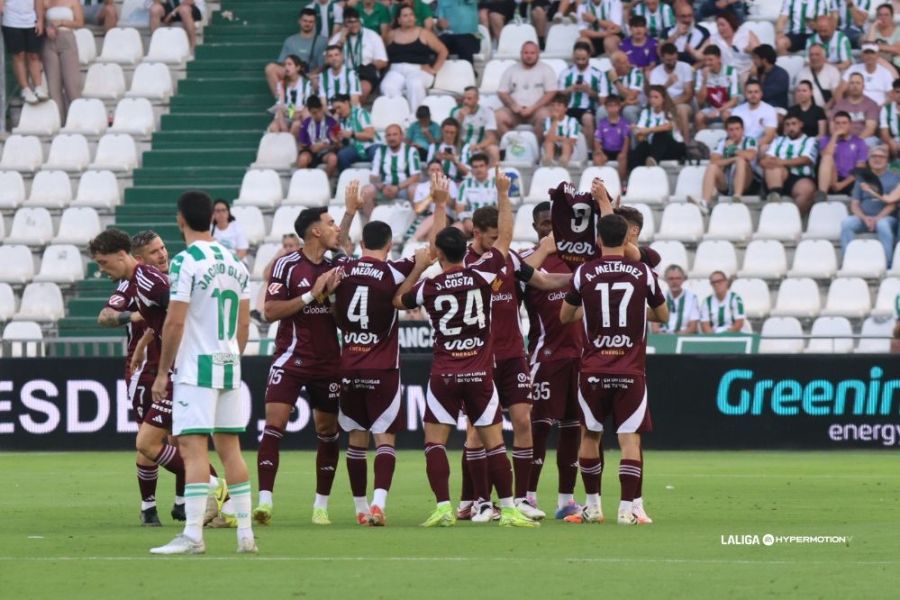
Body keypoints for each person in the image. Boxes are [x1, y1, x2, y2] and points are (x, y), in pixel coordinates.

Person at [394, 170, 539, 528]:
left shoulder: (429, 286)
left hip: (444, 374)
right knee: (494, 444)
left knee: (435, 444)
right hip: (479, 373)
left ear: (438, 253)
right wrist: (503, 193)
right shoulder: (483, 274)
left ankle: (444, 507)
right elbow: (505, 239)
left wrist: (420, 265)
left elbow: (399, 300)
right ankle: (509, 508)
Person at [148, 191, 254, 555]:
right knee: (231, 450)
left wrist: (163, 372)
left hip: (196, 366)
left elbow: (175, 321)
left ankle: (193, 535)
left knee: (193, 449)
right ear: (212, 217)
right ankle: (245, 535)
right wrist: (232, 356)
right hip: (229, 363)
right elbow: (244, 324)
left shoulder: (185, 261)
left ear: (180, 219)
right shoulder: (236, 262)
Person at [456, 202, 574, 522]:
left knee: (523, 421)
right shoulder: (464, 264)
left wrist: (580, 277)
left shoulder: (509, 259)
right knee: (477, 431)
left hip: (513, 355)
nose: (499, 243)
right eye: (493, 237)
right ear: (476, 233)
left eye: (501, 237)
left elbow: (543, 281)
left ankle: (521, 498)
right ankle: (481, 501)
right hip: (478, 358)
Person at [560, 213, 668, 526]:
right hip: (630, 369)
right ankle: (627, 510)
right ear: (627, 239)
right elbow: (662, 315)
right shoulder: (643, 272)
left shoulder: (584, 272)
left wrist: (590, 310)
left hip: (593, 369)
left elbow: (565, 316)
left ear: (598, 239)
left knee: (590, 435)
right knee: (629, 439)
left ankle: (593, 507)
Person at [330, 181, 427, 526]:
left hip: (349, 366)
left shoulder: (344, 268)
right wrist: (439, 205)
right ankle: (378, 504)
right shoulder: (394, 270)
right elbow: (430, 254)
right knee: (384, 438)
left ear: (361, 244)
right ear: (389, 245)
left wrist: (350, 211)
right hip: (382, 367)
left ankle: (359, 508)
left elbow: (335, 244)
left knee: (355, 440)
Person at [94, 230, 194, 527]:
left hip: (176, 365)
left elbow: (173, 318)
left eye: (163, 248)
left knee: (180, 437)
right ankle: (149, 506)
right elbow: (105, 316)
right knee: (149, 439)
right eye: (154, 252)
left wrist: (146, 334)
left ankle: (184, 501)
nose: (162, 255)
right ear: (138, 258)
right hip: (147, 371)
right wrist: (134, 318)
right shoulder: (132, 283)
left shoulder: (171, 277)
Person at [253, 207, 344, 527]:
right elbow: (270, 311)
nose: (336, 228)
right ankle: (265, 501)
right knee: (274, 424)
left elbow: (341, 320)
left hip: (328, 361)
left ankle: (321, 506)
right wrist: (311, 294)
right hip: (291, 357)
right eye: (331, 223)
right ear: (316, 231)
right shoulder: (287, 264)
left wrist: (332, 299)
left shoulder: (336, 268)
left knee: (328, 431)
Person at [519, 202, 583, 520]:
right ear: (536, 227)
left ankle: (566, 500)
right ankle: (528, 496)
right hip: (545, 356)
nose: (551, 229)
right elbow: (512, 280)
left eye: (555, 223)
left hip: (579, 355)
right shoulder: (527, 260)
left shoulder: (580, 258)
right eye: (545, 223)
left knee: (573, 427)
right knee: (539, 426)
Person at [840, 145, 900, 267]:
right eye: (874, 156)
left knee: (882, 225)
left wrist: (877, 218)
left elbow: (892, 204)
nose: (877, 159)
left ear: (887, 160)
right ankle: (847, 261)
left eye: (881, 157)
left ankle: (887, 264)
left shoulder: (895, 178)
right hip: (864, 218)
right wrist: (864, 218)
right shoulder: (862, 178)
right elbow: (854, 204)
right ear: (869, 159)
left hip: (886, 218)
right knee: (846, 223)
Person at [381, 5, 447, 111]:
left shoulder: (424, 33)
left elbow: (443, 51)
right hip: (396, 71)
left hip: (419, 70)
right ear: (399, 20)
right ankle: (399, 116)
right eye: (405, 15)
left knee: (414, 83)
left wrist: (434, 69)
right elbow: (383, 54)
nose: (409, 18)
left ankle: (417, 116)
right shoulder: (391, 35)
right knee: (387, 86)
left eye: (411, 15)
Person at [694, 115, 757, 211]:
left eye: (737, 129)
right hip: (726, 181)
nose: (734, 132)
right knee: (712, 167)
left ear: (742, 130)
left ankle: (737, 197)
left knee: (741, 161)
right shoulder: (722, 142)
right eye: (731, 130)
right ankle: (705, 202)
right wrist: (732, 159)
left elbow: (750, 156)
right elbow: (714, 161)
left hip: (747, 182)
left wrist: (733, 149)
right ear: (727, 131)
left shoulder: (749, 140)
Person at [494, 41, 557, 137]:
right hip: (515, 111)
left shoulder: (546, 70)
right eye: (526, 53)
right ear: (521, 54)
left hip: (537, 110)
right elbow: (502, 92)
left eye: (532, 53)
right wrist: (512, 105)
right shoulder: (511, 70)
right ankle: (512, 143)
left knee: (544, 117)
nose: (529, 56)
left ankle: (536, 145)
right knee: (497, 116)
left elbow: (551, 92)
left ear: (538, 54)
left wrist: (533, 108)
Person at [761, 113, 818, 212]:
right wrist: (768, 161)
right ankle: (775, 197)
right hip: (778, 176)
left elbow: (806, 159)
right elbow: (767, 159)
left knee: (807, 190)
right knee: (773, 167)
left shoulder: (810, 140)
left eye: (793, 124)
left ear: (801, 124)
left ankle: (792, 217)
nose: (790, 127)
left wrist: (782, 162)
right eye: (787, 124)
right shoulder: (778, 140)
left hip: (800, 177)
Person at [265, 8, 328, 99]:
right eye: (305, 21)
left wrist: (310, 74)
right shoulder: (290, 40)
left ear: (315, 23)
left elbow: (323, 65)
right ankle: (280, 101)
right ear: (299, 21)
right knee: (270, 68)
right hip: (292, 74)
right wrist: (292, 71)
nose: (307, 24)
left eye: (311, 22)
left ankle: (312, 104)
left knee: (315, 80)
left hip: (311, 75)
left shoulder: (322, 41)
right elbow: (282, 63)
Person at [363, 123, 422, 216]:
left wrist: (397, 188)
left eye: (395, 134)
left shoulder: (411, 151)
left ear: (401, 136)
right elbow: (373, 177)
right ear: (385, 138)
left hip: (404, 188)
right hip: (385, 188)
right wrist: (383, 187)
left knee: (414, 189)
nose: (391, 138)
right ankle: (371, 222)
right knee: (366, 191)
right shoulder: (380, 151)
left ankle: (416, 220)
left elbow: (416, 177)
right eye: (389, 135)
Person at [330, 7, 387, 103]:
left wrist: (369, 66)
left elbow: (383, 61)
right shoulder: (338, 37)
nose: (354, 25)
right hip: (343, 73)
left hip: (364, 74)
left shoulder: (372, 35)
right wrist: (341, 42)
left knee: (361, 89)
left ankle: (353, 110)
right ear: (344, 24)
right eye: (350, 22)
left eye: (356, 21)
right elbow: (328, 60)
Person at [559, 42, 604, 150]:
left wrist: (589, 91)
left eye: (583, 59)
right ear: (573, 56)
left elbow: (603, 100)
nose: (580, 62)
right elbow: (558, 96)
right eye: (577, 59)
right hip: (569, 108)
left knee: (587, 118)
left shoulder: (598, 74)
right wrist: (569, 90)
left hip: (589, 109)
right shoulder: (565, 73)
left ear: (589, 56)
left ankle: (589, 151)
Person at [41, 0, 81, 122]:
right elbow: (40, 20)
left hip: (66, 36)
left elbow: (80, 22)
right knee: (53, 85)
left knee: (71, 83)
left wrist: (62, 22)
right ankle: (59, 120)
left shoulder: (73, 2)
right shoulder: (45, 2)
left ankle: (76, 119)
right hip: (49, 40)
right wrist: (46, 28)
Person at [815, 111, 868, 201]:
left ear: (850, 125)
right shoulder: (826, 139)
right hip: (830, 179)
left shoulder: (859, 142)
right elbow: (825, 156)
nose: (840, 126)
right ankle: (822, 195)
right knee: (827, 157)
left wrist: (842, 184)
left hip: (849, 180)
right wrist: (835, 136)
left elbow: (860, 168)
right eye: (837, 123)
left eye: (844, 123)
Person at [628, 85, 686, 167]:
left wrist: (646, 130)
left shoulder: (670, 112)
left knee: (660, 134)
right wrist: (636, 131)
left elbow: (667, 127)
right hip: (654, 148)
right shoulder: (646, 113)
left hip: (674, 147)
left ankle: (653, 161)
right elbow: (640, 136)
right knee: (642, 146)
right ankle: (633, 171)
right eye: (650, 97)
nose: (652, 100)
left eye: (656, 97)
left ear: (663, 99)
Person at [2, 0, 46, 104]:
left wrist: (40, 20)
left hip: (31, 20)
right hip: (11, 21)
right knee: (19, 55)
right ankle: (25, 89)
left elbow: (39, 1)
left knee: (34, 55)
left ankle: (38, 87)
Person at [649, 42, 694, 142]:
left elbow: (688, 94)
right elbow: (654, 96)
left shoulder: (685, 67)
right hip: (663, 105)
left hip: (682, 103)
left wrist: (672, 105)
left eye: (674, 59)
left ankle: (686, 144)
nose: (672, 63)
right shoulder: (655, 72)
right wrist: (667, 85)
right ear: (662, 58)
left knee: (681, 109)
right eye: (669, 60)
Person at [693, 44, 740, 132]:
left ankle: (729, 139)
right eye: (705, 60)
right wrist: (704, 80)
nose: (707, 63)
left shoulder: (730, 71)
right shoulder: (701, 73)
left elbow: (734, 100)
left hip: (727, 107)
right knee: (699, 117)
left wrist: (718, 111)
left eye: (710, 60)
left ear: (719, 59)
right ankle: (704, 140)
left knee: (726, 115)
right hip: (711, 107)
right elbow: (700, 101)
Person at [450, 86, 501, 166]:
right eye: (464, 98)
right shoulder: (456, 112)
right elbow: (451, 136)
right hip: (461, 146)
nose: (465, 101)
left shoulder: (487, 112)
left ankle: (493, 173)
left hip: (480, 146)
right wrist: (460, 119)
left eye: (469, 98)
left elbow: (491, 138)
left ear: (477, 99)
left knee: (494, 150)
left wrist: (478, 146)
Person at [706, 10, 759, 79]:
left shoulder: (745, 33)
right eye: (718, 25)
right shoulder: (714, 38)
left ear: (731, 23)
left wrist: (754, 66)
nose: (720, 28)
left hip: (746, 72)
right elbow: (702, 55)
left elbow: (759, 53)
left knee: (744, 78)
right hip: (726, 73)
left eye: (722, 25)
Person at [831, 72, 880, 145]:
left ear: (863, 86)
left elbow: (870, 129)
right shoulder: (840, 105)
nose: (855, 86)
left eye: (858, 83)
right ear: (848, 86)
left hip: (864, 140)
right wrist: (844, 141)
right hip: (843, 140)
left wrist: (855, 143)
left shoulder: (871, 104)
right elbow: (832, 127)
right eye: (852, 83)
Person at [268, 55, 314, 134]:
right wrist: (283, 124)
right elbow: (280, 106)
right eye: (285, 65)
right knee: (273, 127)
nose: (286, 67)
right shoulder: (282, 84)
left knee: (296, 125)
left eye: (289, 64)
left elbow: (308, 106)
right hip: (287, 114)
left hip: (300, 114)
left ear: (298, 67)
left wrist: (295, 114)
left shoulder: (306, 83)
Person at [296, 95, 340, 176]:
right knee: (303, 159)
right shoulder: (305, 123)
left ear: (322, 108)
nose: (318, 115)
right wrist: (311, 147)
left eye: (319, 111)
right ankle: (305, 181)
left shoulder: (332, 122)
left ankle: (323, 181)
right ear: (309, 112)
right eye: (314, 113)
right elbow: (302, 144)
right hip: (310, 152)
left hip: (326, 152)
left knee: (333, 159)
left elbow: (338, 144)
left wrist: (324, 146)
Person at [593, 95, 631, 186]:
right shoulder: (602, 123)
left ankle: (621, 183)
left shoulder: (624, 123)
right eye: (610, 106)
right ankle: (601, 185)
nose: (612, 108)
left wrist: (623, 153)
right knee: (597, 158)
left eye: (615, 106)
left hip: (619, 151)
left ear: (619, 107)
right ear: (606, 108)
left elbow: (626, 140)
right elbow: (597, 140)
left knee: (623, 158)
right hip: (606, 150)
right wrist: (600, 152)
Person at [333, 93, 378, 170]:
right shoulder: (341, 121)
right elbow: (342, 145)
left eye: (339, 107)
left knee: (376, 153)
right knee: (342, 155)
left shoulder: (361, 113)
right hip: (356, 149)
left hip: (371, 146)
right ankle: (348, 177)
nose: (337, 111)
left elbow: (370, 135)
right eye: (335, 109)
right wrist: (337, 142)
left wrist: (352, 134)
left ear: (346, 103)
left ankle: (377, 177)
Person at [730, 79, 778, 149]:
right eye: (750, 92)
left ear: (761, 93)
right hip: (741, 146)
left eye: (756, 92)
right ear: (745, 94)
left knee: (764, 148)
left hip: (760, 146)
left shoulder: (770, 110)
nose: (753, 95)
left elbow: (769, 136)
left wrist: (752, 147)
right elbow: (733, 134)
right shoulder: (736, 111)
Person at [653, 265, 700, 334]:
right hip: (663, 336)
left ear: (683, 279)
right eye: (671, 278)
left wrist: (675, 336)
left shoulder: (692, 298)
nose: (674, 281)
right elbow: (655, 327)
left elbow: (693, 327)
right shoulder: (659, 297)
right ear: (666, 280)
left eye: (678, 278)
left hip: (683, 336)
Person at [603, 51, 644, 123]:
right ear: (615, 65)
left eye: (627, 60)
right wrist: (623, 103)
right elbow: (602, 100)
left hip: (634, 105)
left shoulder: (635, 72)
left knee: (628, 111)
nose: (628, 64)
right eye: (624, 63)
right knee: (602, 111)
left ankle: (634, 130)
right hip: (616, 105)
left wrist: (616, 81)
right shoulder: (605, 75)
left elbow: (631, 96)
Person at [541, 93, 580, 167]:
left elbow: (572, 140)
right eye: (553, 105)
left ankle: (564, 161)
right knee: (549, 143)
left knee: (566, 144)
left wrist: (556, 138)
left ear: (565, 108)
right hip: (554, 146)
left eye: (559, 105)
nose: (555, 108)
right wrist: (555, 121)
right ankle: (548, 160)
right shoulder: (548, 120)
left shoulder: (572, 121)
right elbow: (548, 138)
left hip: (570, 149)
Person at [798, 43, 841, 107]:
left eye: (817, 55)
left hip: (828, 110)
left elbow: (836, 95)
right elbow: (798, 96)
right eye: (811, 55)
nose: (814, 57)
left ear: (824, 57)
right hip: (807, 110)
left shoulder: (833, 71)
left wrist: (824, 109)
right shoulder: (802, 73)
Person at [751, 44, 790, 111]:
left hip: (775, 107)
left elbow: (764, 94)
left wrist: (754, 77)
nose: (754, 61)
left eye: (756, 58)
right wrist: (752, 76)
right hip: (757, 105)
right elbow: (748, 90)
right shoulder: (758, 72)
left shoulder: (781, 75)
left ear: (764, 60)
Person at [864, 2, 900, 73]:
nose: (883, 18)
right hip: (877, 66)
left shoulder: (899, 31)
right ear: (876, 17)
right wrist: (873, 26)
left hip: (896, 66)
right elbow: (868, 48)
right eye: (880, 15)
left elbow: (897, 49)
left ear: (892, 17)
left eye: (886, 15)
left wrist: (876, 46)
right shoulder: (873, 31)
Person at [880, 79, 900, 157]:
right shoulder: (886, 109)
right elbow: (884, 133)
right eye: (898, 92)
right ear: (893, 93)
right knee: (884, 147)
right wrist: (891, 142)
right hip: (893, 141)